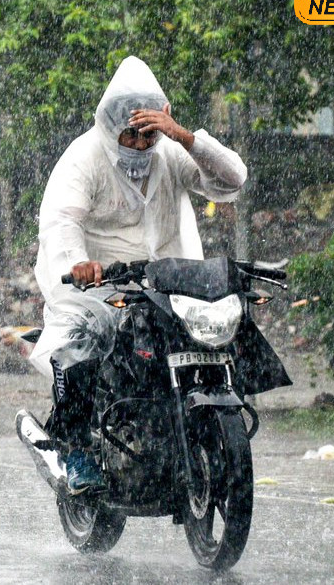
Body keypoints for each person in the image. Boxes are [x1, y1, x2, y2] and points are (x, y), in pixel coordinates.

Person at [30, 56, 247, 493]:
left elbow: (232, 181)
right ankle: (77, 450)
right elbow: (60, 220)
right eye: (130, 133)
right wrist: (77, 262)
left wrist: (185, 137)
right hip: (96, 285)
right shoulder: (84, 157)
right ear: (111, 127)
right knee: (80, 349)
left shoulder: (171, 151)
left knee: (220, 336)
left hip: (167, 280)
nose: (140, 144)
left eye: (148, 132)